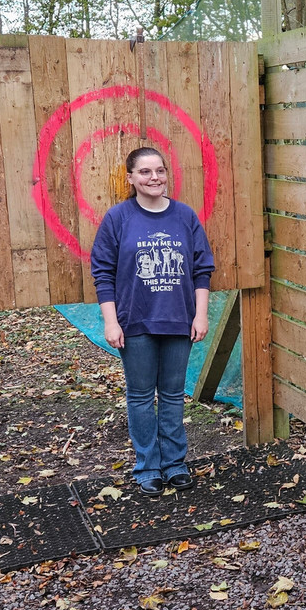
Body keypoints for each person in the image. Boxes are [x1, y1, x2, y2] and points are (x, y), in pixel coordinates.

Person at [91, 146, 215, 497]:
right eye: (145, 172)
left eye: (159, 170)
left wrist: (201, 314)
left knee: (174, 395)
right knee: (142, 396)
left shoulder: (184, 216)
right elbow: (102, 273)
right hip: (135, 322)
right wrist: (111, 322)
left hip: (179, 321)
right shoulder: (118, 218)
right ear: (130, 178)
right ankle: (148, 466)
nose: (154, 177)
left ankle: (175, 464)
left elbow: (202, 269)